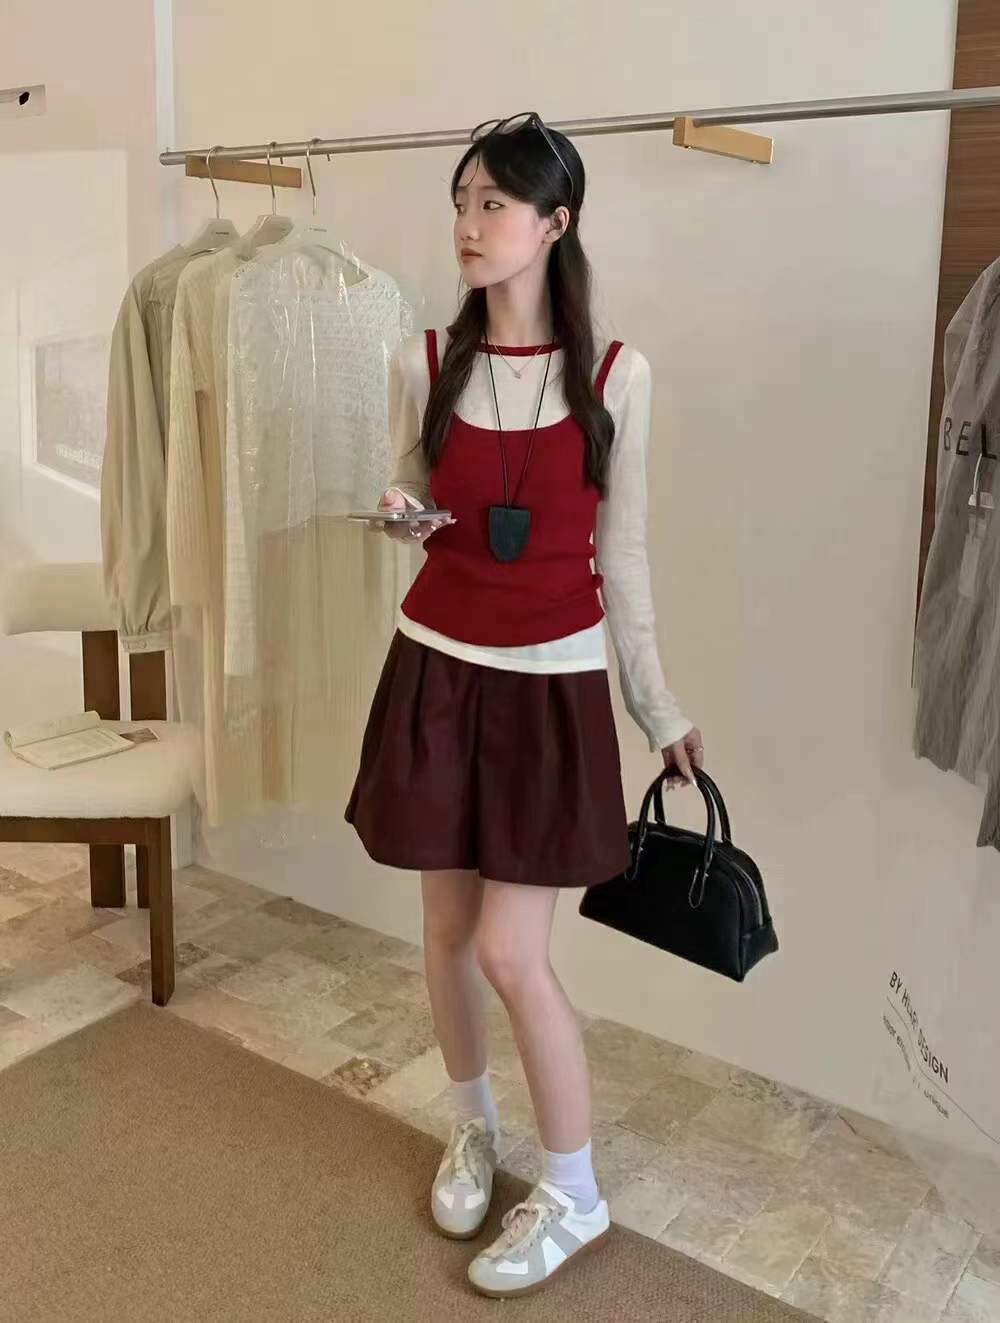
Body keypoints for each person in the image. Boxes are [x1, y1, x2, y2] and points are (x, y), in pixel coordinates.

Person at [344, 111, 704, 1299]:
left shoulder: (615, 377)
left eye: (493, 203)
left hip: (551, 689)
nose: (468, 223)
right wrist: (402, 518)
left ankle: (576, 1192)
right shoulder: (421, 363)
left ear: (555, 223)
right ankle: (472, 1127)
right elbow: (408, 494)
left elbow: (624, 553)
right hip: (435, 670)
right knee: (447, 933)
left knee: (511, 948)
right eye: (461, 200)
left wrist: (657, 708)